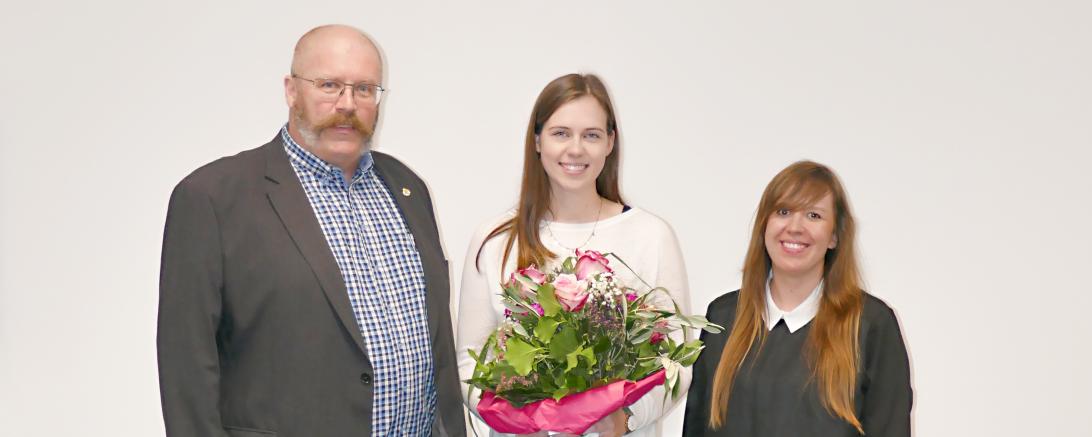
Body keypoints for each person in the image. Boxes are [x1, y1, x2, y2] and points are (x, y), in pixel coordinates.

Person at [157, 24, 465, 437]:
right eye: (329, 85)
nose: (347, 104)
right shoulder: (213, 199)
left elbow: (437, 346)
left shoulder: (408, 188)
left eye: (364, 89)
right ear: (290, 90)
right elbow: (186, 367)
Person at [456, 73, 692, 437]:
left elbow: (677, 356)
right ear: (537, 140)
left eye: (592, 135)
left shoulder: (651, 235)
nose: (576, 149)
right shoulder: (495, 240)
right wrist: (520, 419)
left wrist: (626, 419)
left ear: (610, 143)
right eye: (561, 133)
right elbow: (468, 362)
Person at [682, 161, 912, 436]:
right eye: (783, 211)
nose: (795, 227)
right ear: (764, 225)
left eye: (813, 215)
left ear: (834, 236)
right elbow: (697, 428)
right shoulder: (722, 317)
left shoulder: (870, 324)